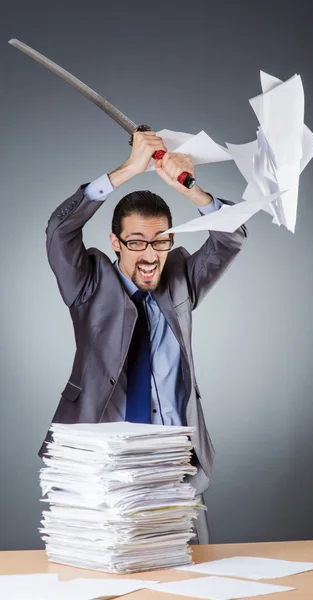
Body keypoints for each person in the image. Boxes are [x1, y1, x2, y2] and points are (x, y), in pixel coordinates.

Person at [39, 130, 247, 543]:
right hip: (102, 466)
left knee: (188, 575)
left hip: (175, 465)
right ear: (116, 242)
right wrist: (129, 170)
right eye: (137, 242)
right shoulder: (88, 281)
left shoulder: (181, 278)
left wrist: (190, 188)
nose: (151, 254)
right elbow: (58, 230)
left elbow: (232, 236)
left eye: (161, 240)